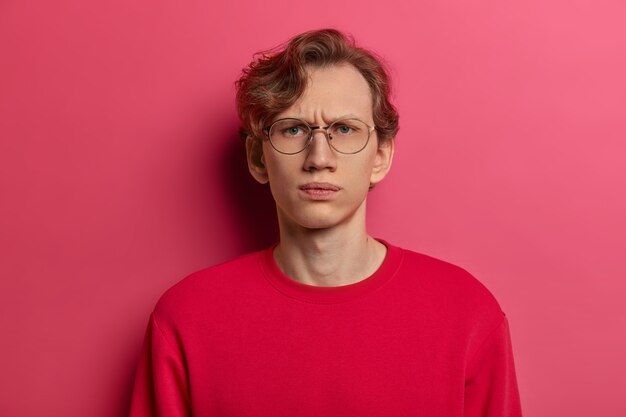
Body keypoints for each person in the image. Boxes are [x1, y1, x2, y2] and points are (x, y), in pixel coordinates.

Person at [129, 29, 522, 417]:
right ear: (258, 158)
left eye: (344, 129)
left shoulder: (466, 312)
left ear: (381, 155)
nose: (319, 157)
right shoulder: (187, 318)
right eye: (293, 129)